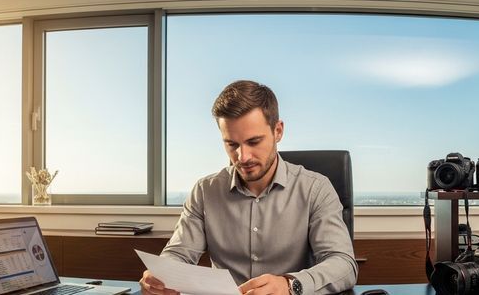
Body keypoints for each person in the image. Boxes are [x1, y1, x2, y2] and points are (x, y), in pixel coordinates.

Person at [140, 80, 358, 295]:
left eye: (253, 142)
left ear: (278, 131)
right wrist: (161, 277)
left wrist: (290, 285)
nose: (242, 157)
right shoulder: (205, 191)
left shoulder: (315, 189)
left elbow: (343, 264)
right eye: (232, 144)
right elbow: (178, 255)